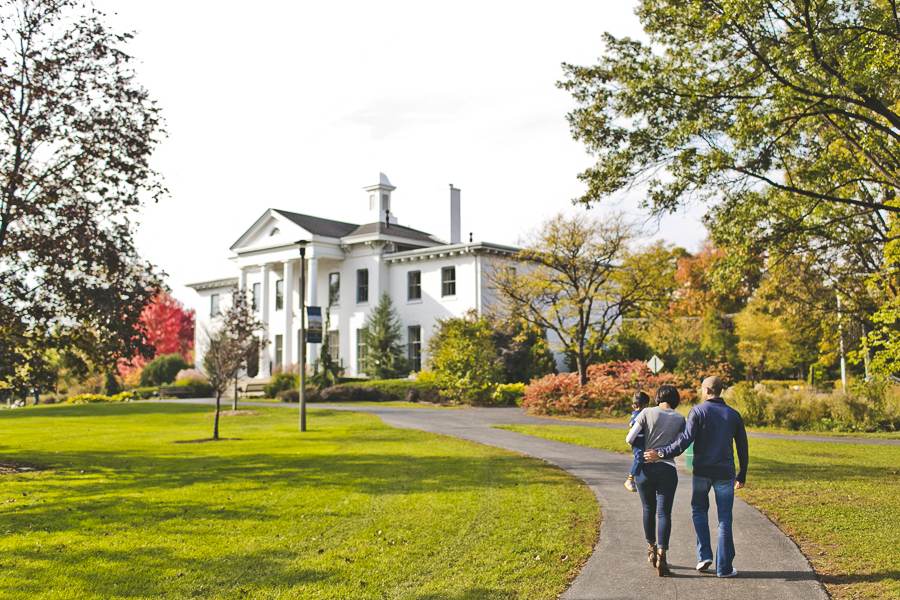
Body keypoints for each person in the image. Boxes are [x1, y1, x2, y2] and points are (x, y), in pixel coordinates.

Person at [645, 376, 749, 578]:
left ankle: (704, 556)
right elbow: (742, 447)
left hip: (702, 471)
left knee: (700, 510)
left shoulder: (698, 411)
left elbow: (684, 442)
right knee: (724, 519)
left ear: (707, 390)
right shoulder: (734, 415)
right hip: (725, 473)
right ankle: (724, 568)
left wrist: (662, 453)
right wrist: (742, 473)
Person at [625, 385, 686, 576]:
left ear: (657, 397)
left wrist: (645, 451)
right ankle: (662, 556)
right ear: (675, 399)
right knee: (664, 514)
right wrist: (660, 453)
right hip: (667, 468)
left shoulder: (646, 412)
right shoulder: (680, 418)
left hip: (645, 469)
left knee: (648, 510)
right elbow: (678, 446)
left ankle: (651, 550)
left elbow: (630, 438)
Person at [624, 391, 651, 492]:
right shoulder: (641, 416)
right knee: (639, 458)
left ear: (633, 406)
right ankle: (630, 479)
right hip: (638, 441)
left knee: (642, 459)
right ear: (646, 405)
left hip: (638, 441)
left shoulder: (634, 414)